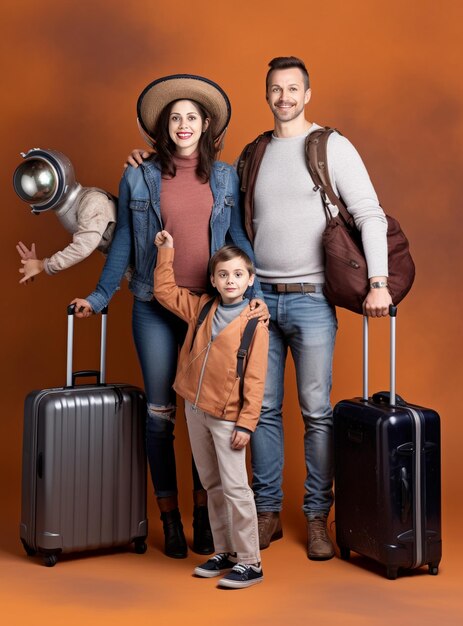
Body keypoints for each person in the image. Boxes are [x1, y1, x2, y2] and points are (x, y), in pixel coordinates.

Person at [125, 58, 392, 561]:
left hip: (313, 299)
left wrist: (377, 281)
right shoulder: (254, 153)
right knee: (261, 411)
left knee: (315, 413)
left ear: (308, 94)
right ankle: (266, 511)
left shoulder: (331, 146)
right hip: (255, 299)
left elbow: (369, 214)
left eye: (293, 89)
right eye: (275, 89)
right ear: (266, 95)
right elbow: (202, 188)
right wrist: (145, 162)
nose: (284, 97)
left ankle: (317, 518)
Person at [71, 74, 266, 560]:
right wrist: (98, 296)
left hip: (211, 310)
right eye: (175, 118)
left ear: (206, 127)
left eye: (191, 118)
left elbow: (238, 238)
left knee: (207, 412)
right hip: (154, 308)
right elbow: (121, 243)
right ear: (164, 127)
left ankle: (205, 515)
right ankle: (170, 519)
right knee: (161, 417)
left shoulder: (223, 177)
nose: (183, 125)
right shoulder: (137, 176)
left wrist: (253, 292)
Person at [154, 231, 268, 588]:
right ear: (214, 280)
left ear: (250, 280)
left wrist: (246, 424)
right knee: (212, 484)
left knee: (236, 488)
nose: (230, 280)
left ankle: (250, 561)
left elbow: (255, 380)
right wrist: (166, 251)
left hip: (228, 417)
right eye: (223, 274)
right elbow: (164, 292)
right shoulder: (203, 306)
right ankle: (226, 551)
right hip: (195, 408)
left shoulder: (254, 323)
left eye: (237, 274)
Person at [14, 148, 116, 284]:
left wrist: (43, 265)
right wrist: (36, 264)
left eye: (44, 180)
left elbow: (83, 246)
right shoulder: (76, 206)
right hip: (135, 268)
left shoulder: (93, 200)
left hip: (147, 259)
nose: (42, 189)